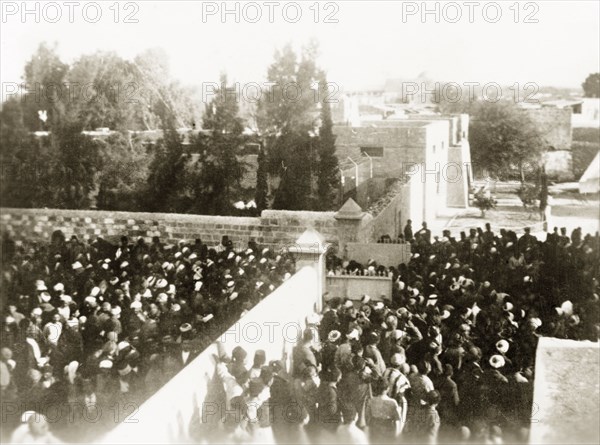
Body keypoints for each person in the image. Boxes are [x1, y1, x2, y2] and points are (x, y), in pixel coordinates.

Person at [365, 376, 401, 443]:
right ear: (388, 389)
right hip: (387, 429)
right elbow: (397, 420)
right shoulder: (393, 402)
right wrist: (396, 436)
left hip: (375, 429)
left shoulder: (371, 401)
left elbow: (367, 417)